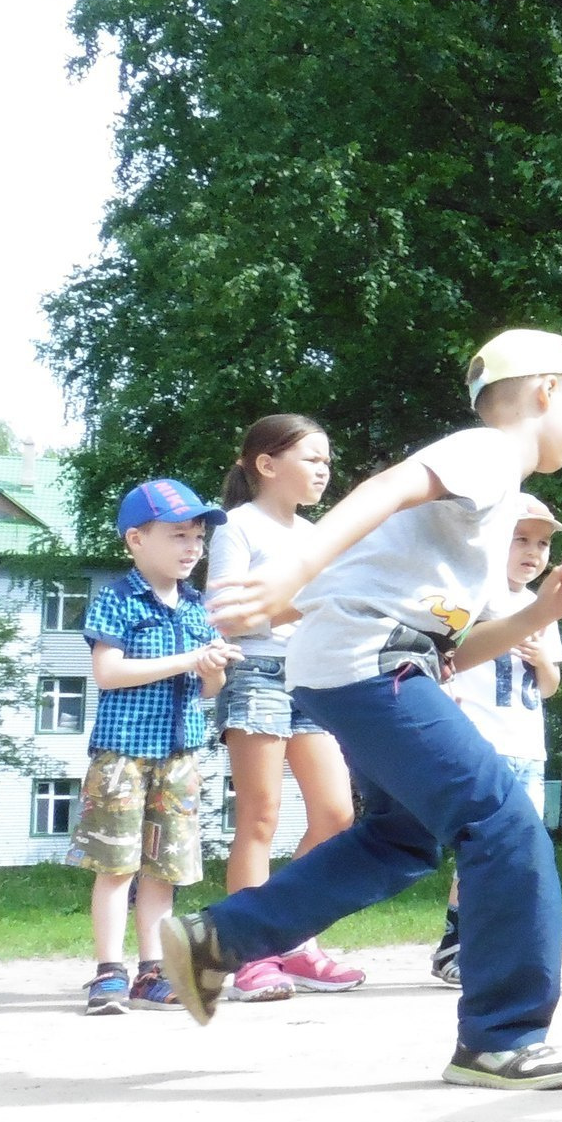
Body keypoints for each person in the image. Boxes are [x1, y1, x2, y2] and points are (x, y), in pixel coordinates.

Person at [171, 328, 562, 1090]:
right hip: (367, 661)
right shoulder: (489, 450)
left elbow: (456, 649)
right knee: (502, 823)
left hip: (374, 663)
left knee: (400, 838)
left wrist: (532, 614)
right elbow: (389, 485)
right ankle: (499, 1039)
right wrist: (294, 570)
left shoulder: (489, 511)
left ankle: (217, 941)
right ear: (545, 389)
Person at [69, 480, 239, 1013]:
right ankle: (107, 973)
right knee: (116, 866)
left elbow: (207, 691)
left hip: (181, 755)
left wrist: (212, 670)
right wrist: (190, 661)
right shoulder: (118, 600)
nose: (192, 548)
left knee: (164, 870)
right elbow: (109, 672)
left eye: (198, 537)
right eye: (178, 535)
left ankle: (152, 971)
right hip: (122, 755)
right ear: (136, 540)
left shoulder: (195, 607)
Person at [208, 413, 362, 1001]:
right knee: (261, 818)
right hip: (256, 675)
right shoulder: (235, 528)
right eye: (312, 459)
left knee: (336, 814)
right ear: (267, 465)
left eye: (327, 460)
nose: (325, 470)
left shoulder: (317, 534)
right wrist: (305, 605)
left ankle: (293, 940)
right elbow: (227, 617)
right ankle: (249, 955)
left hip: (313, 678)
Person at [431, 496, 562, 985]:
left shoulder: (541, 604)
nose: (533, 552)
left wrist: (541, 660)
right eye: (521, 539)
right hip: (483, 741)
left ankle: (492, 945)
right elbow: (443, 659)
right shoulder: (476, 593)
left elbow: (548, 686)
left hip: (528, 745)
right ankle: (456, 943)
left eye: (543, 543)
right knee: (483, 848)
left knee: (518, 850)